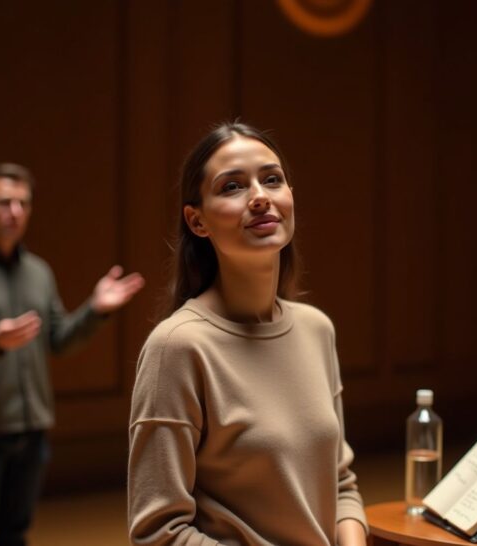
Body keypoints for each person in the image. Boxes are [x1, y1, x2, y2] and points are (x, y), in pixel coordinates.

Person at [128, 122, 368, 545]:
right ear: (197, 221)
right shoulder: (177, 347)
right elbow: (159, 533)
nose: (259, 196)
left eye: (272, 180)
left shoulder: (316, 329)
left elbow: (341, 484)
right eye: (233, 186)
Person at [0, 162, 145, 546]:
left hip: (31, 430)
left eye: (23, 204)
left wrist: (95, 310)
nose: (15, 212)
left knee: (16, 534)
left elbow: (59, 341)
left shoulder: (38, 272)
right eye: (4, 203)